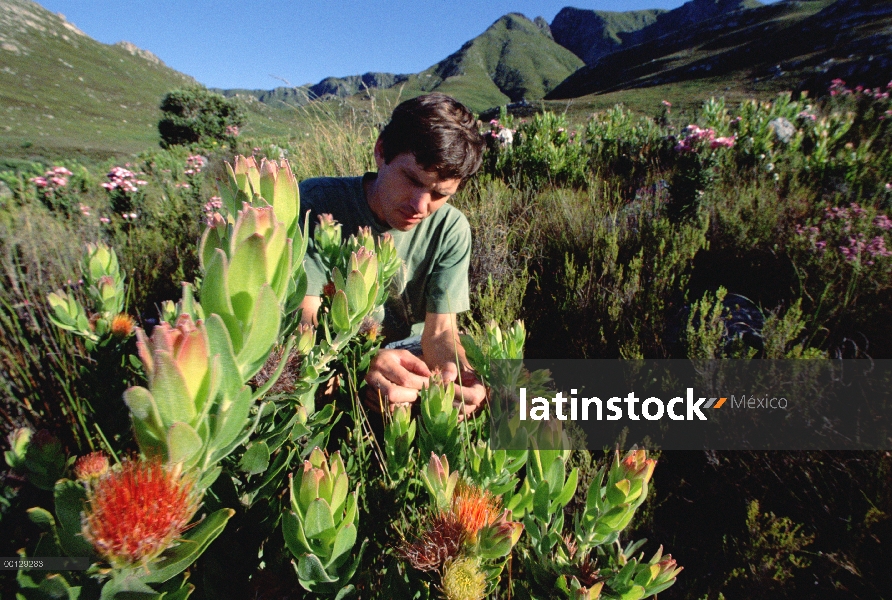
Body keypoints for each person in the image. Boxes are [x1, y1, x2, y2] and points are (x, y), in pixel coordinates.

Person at [298, 93, 487, 416]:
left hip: (407, 353)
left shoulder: (451, 228)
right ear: (381, 151)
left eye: (440, 194)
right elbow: (305, 319)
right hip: (331, 347)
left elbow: (440, 332)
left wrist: (458, 378)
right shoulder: (317, 203)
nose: (420, 206)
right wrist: (358, 366)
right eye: (411, 179)